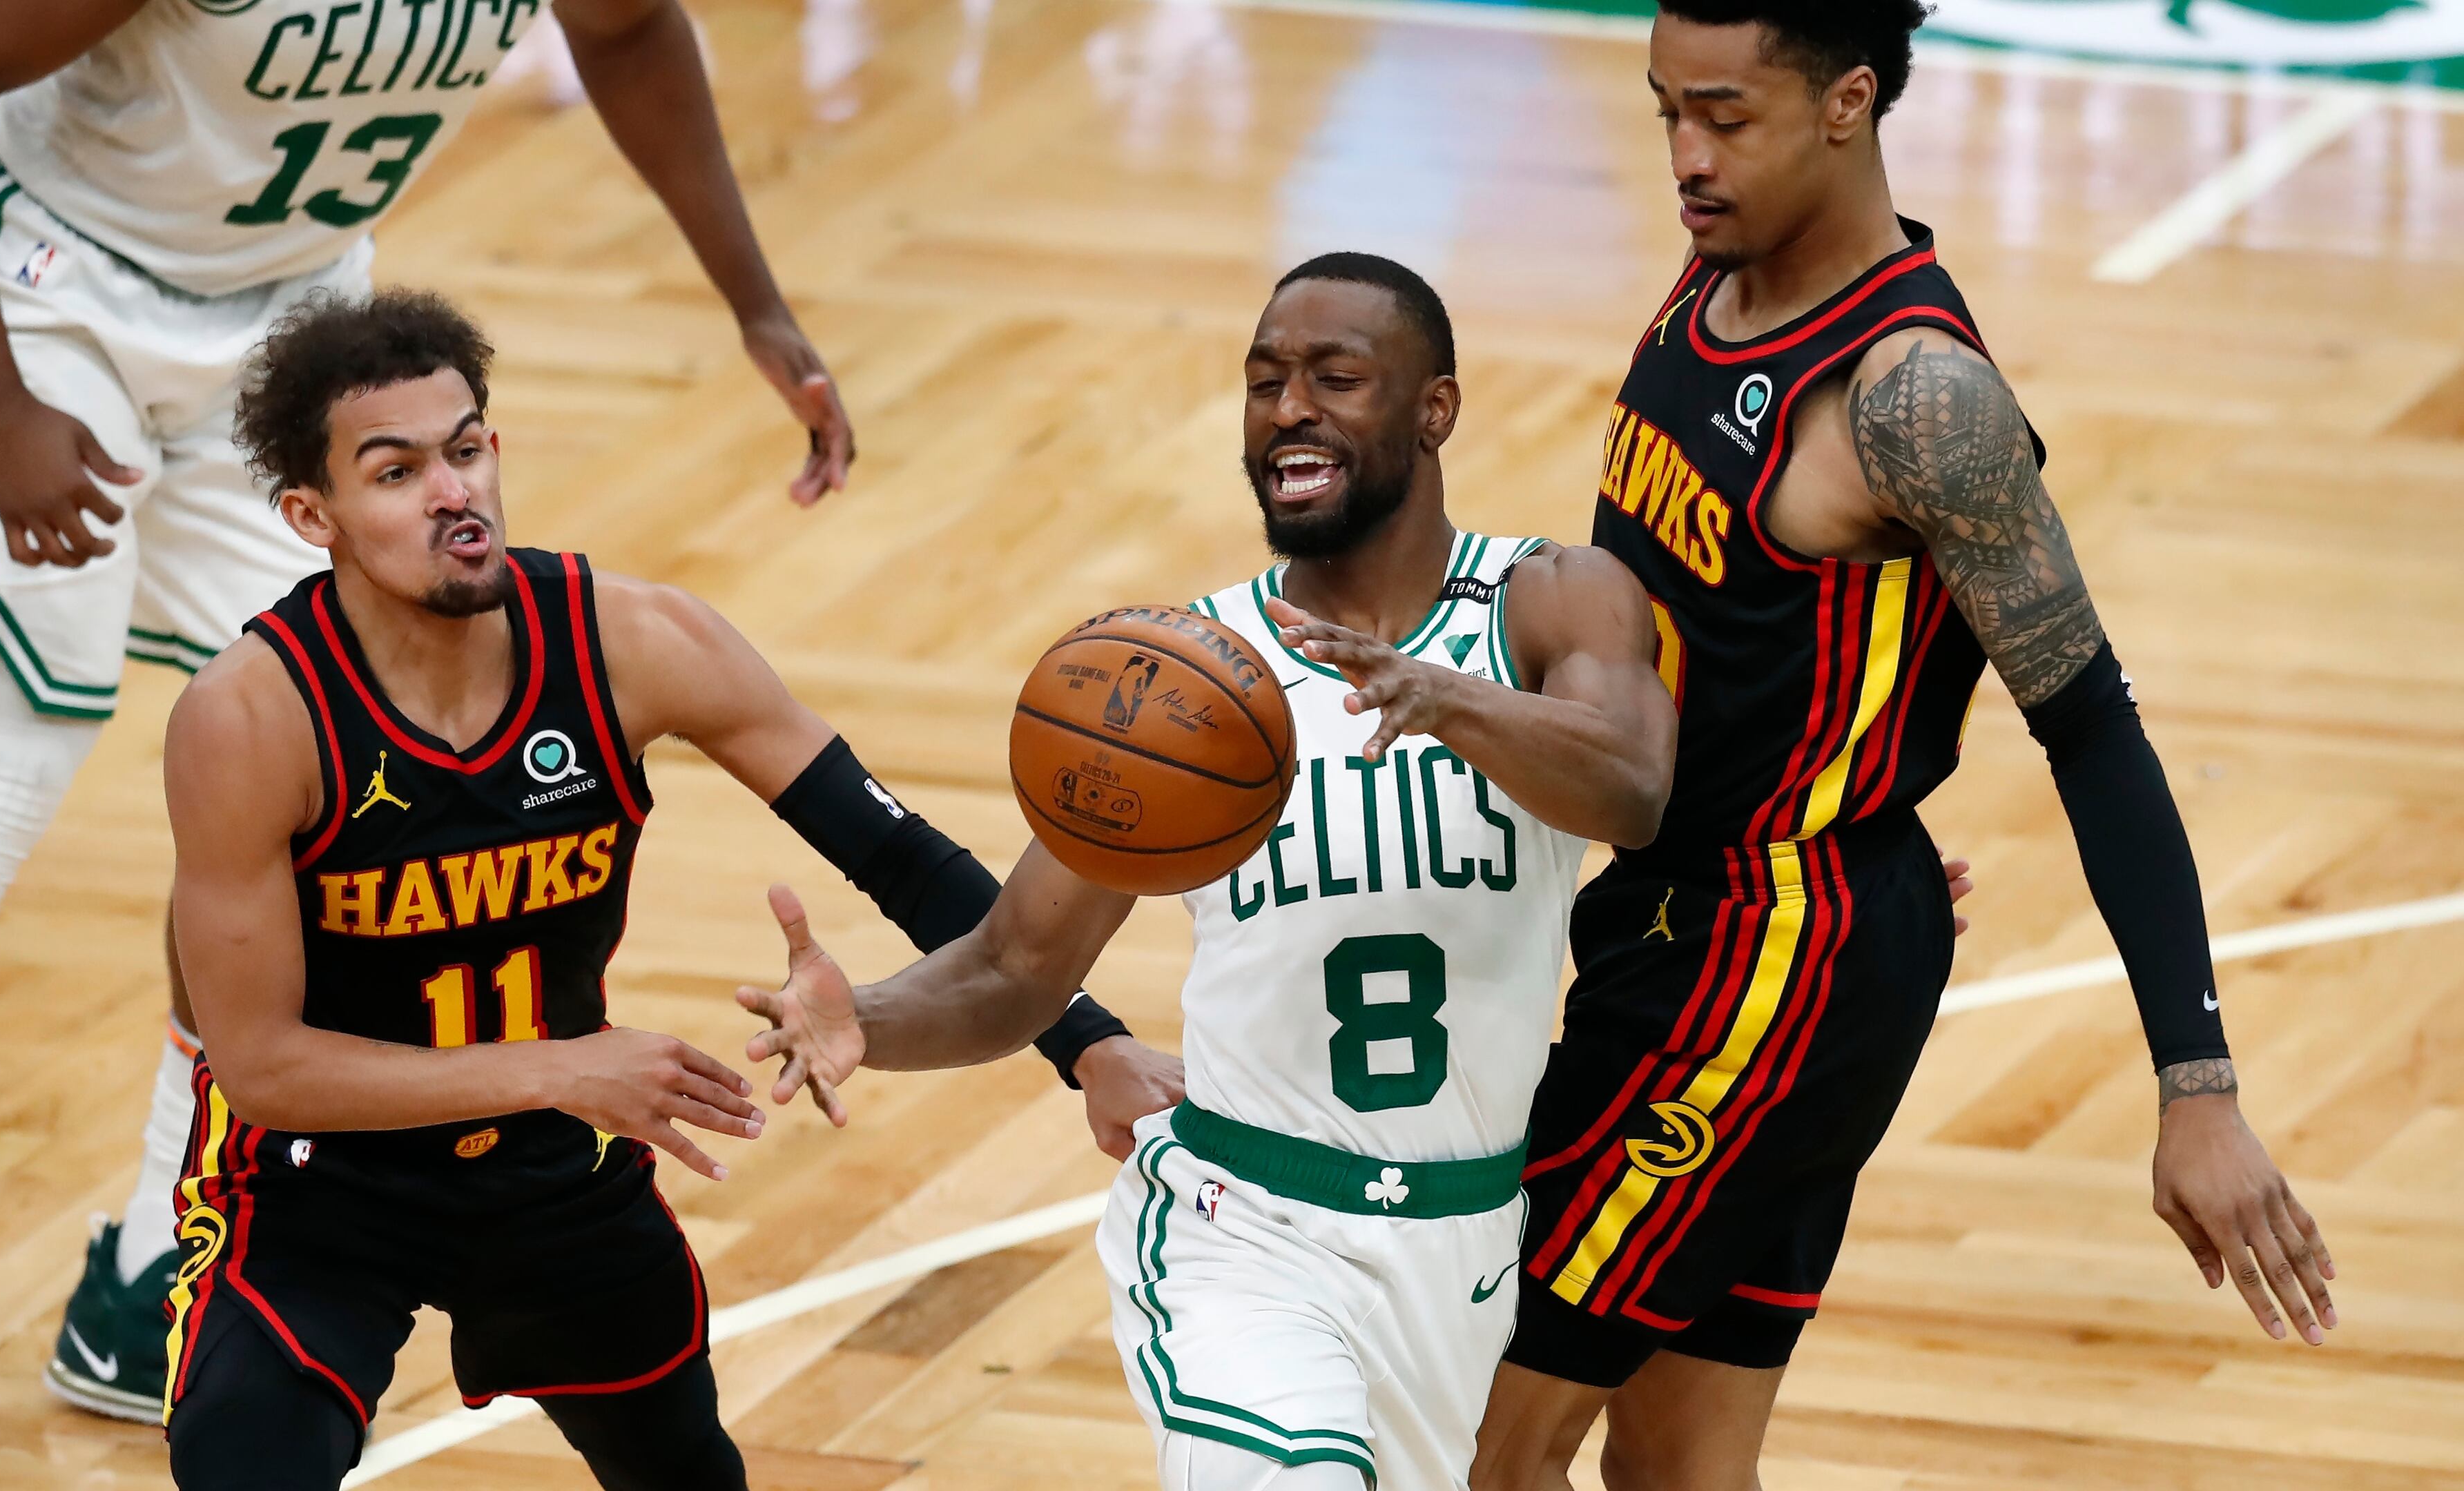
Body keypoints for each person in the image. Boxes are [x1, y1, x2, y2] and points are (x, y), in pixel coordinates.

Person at [1471, 7, 2337, 1490]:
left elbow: (2093, 726)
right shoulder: (1719, 273)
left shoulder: (1916, 400)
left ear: (1847, 102)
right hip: (1751, 925)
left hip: (1760, 967)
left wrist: (2197, 1087)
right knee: (1678, 1465)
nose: (1686, 156)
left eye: (1725, 116)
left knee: (1485, 1443)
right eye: (1667, 109)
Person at [155, 287, 1167, 1488]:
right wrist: (558, 1069)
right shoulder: (252, 717)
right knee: (241, 1461)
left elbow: (899, 856)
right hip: (321, 1183)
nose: (452, 493)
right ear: (310, 514)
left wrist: (1090, 1045)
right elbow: (264, 1068)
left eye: (467, 451)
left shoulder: (635, 641)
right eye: (398, 472)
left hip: (554, 1174)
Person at [741, 253, 1680, 1491]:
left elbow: (1633, 790)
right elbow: (1016, 965)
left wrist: (1439, 696)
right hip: (1248, 1234)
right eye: (1264, 381)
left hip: (1467, 1249)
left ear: (1435, 409)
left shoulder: (1547, 602)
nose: (1290, 408)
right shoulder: (1184, 679)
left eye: (1337, 378)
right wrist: (864, 1019)